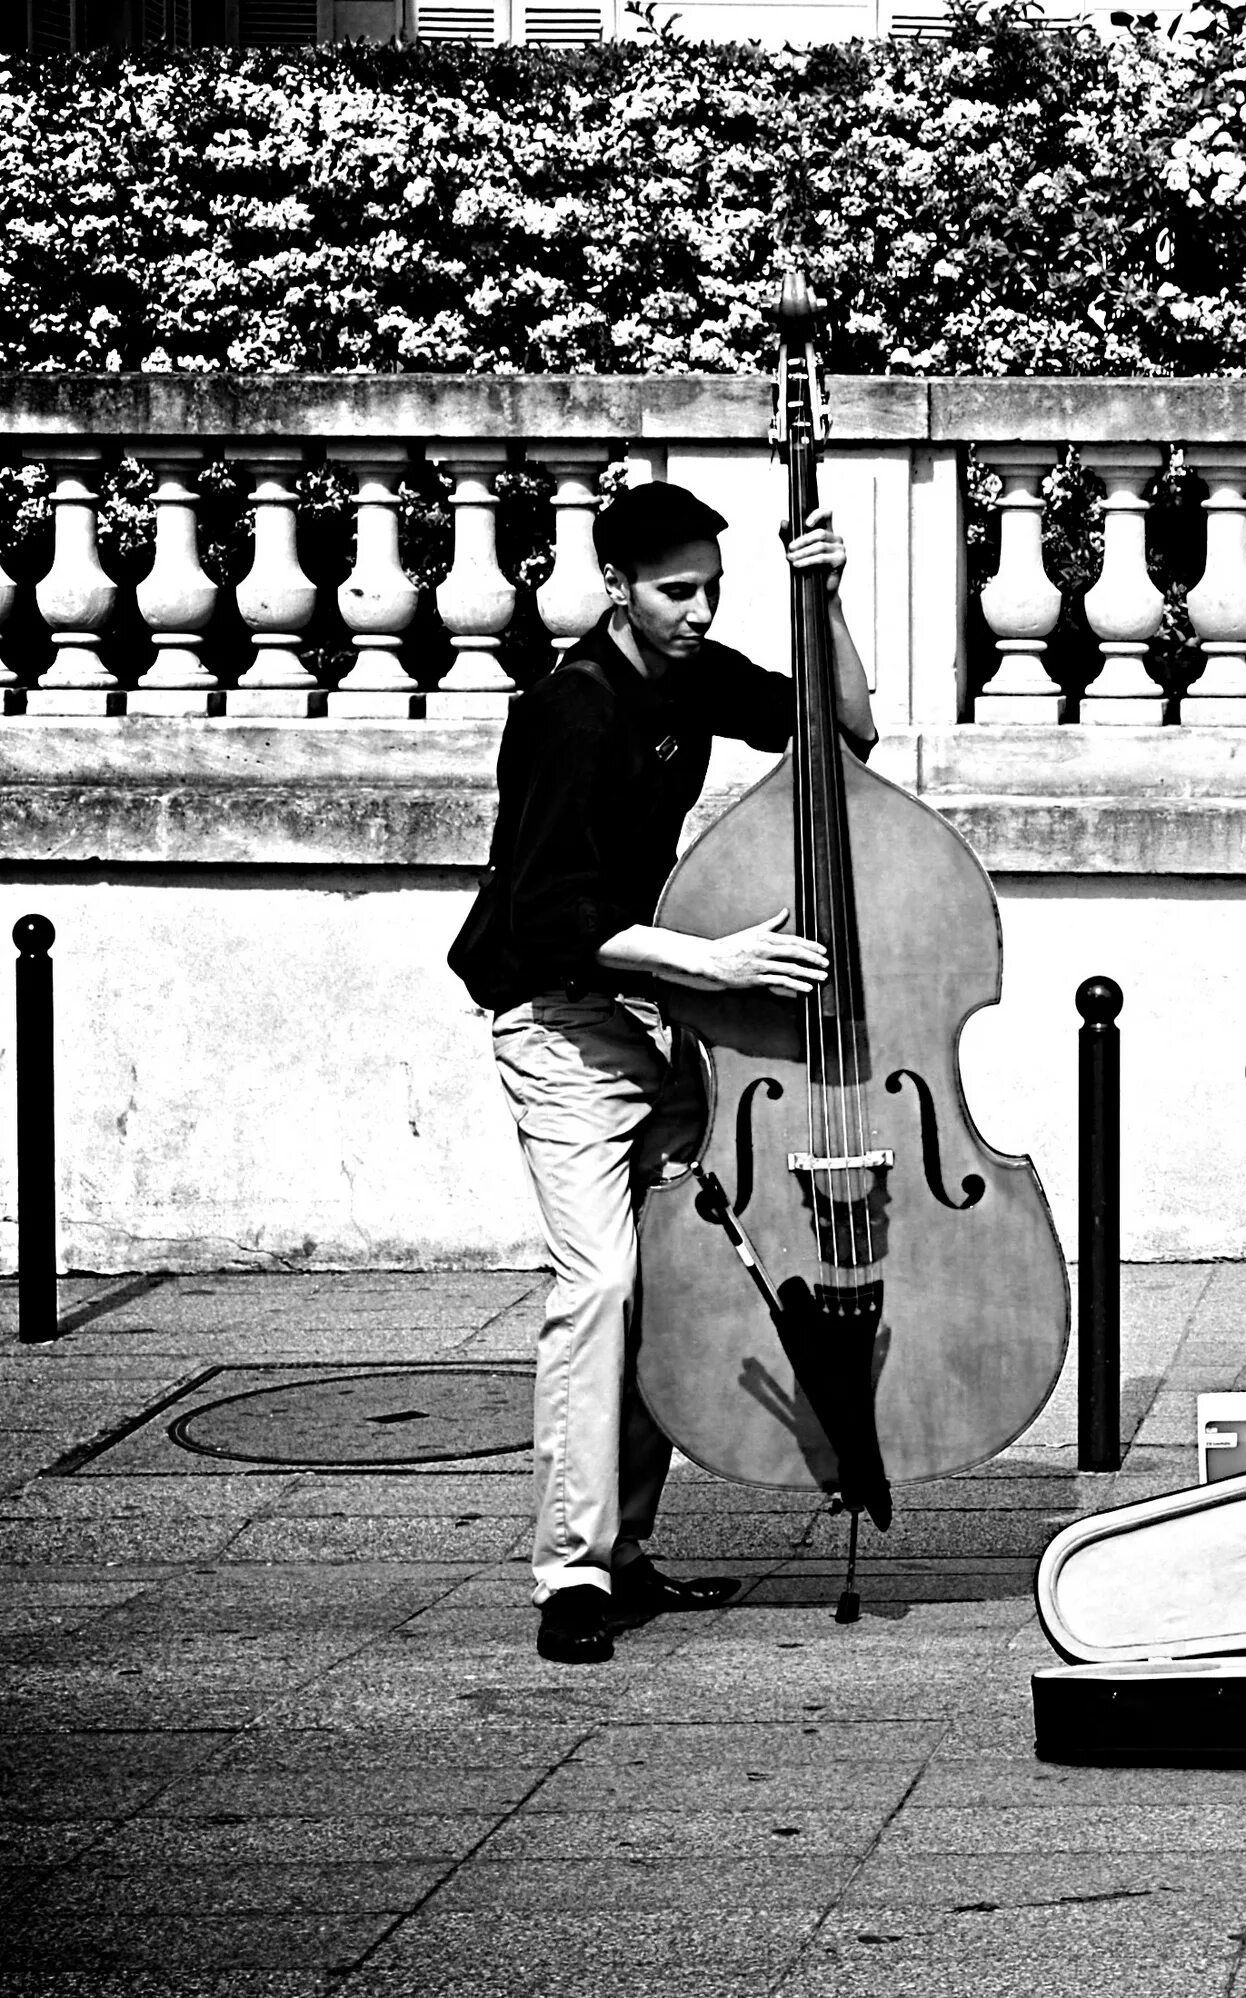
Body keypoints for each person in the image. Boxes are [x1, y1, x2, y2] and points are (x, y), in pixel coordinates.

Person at [449, 480, 877, 1665]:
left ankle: (626, 1553)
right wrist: (718, 962)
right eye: (675, 592)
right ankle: (571, 1577)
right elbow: (549, 917)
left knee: (678, 1272)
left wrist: (824, 597)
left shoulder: (688, 672)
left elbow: (848, 731)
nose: (697, 612)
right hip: (561, 1024)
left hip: (657, 1015)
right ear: (617, 591)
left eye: (711, 591)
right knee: (598, 1288)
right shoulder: (569, 712)